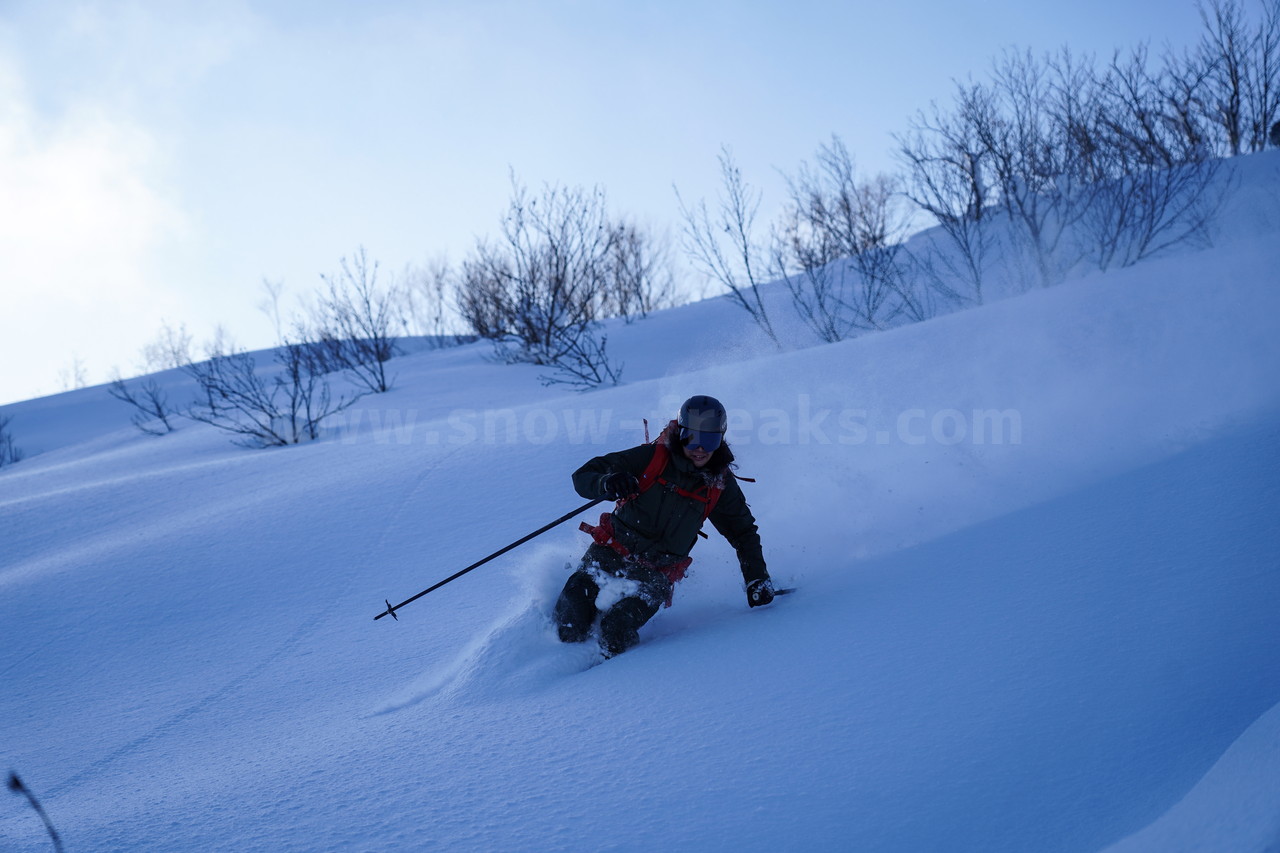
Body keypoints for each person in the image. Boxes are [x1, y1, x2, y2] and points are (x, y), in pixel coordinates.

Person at [553, 394, 774, 657]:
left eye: (710, 439)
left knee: (616, 629)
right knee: (573, 617)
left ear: (721, 439)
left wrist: (756, 579)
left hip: (655, 575)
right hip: (610, 552)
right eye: (692, 438)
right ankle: (553, 666)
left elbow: (743, 532)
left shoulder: (718, 485)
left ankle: (611, 682)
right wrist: (608, 482)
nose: (700, 448)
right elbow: (583, 476)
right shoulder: (652, 458)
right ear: (681, 433)